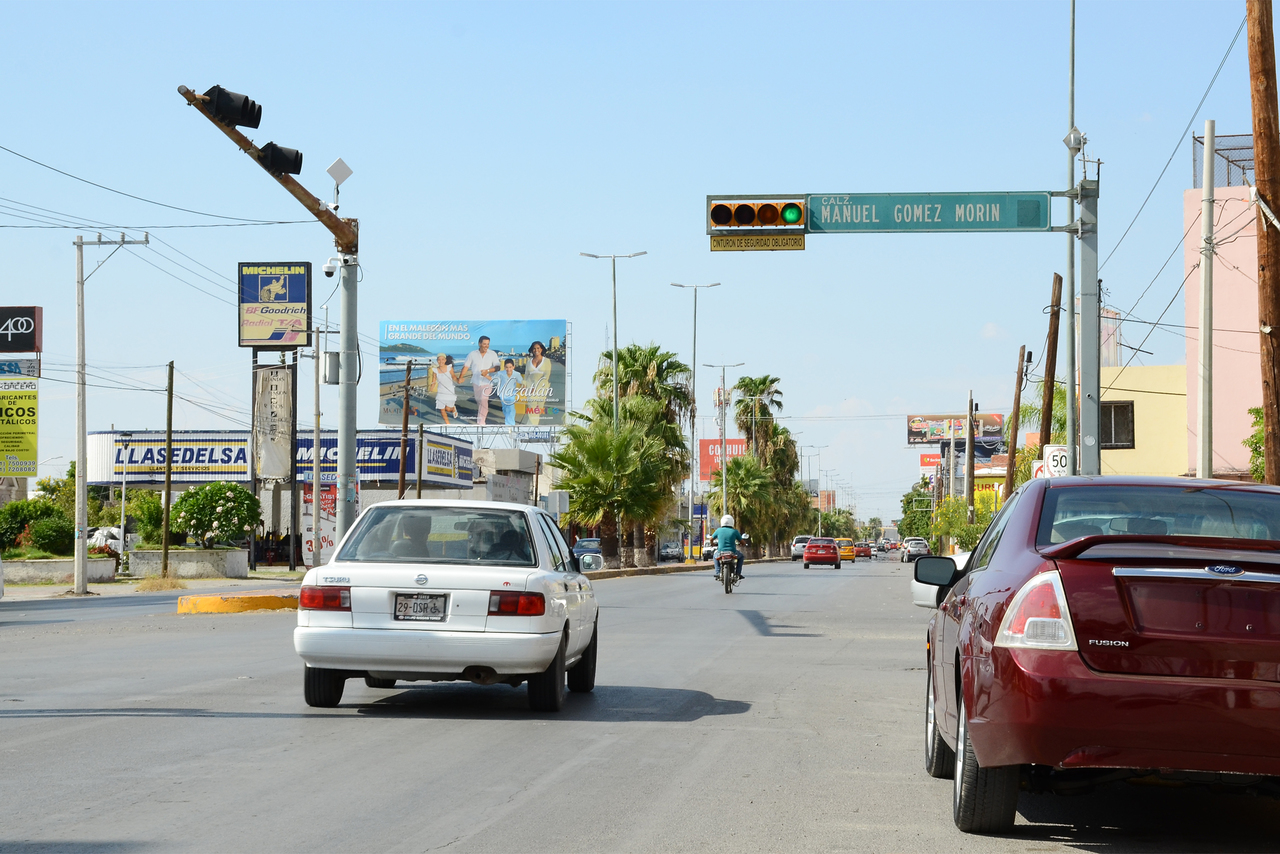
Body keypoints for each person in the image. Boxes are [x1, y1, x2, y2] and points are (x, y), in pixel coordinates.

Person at [460, 335, 501, 425]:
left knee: (483, 400)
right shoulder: (472, 354)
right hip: (476, 382)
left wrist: (488, 371)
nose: (486, 346)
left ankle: (481, 422)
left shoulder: (492, 354)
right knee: (480, 402)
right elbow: (466, 366)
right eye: (484, 344)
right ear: (479, 344)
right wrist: (461, 377)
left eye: (488, 344)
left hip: (488, 382)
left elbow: (498, 367)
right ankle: (482, 415)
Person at [522, 340, 553, 425]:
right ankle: (532, 428)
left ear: (541, 349)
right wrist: (524, 386)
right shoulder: (529, 362)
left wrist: (536, 388)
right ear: (532, 350)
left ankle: (530, 427)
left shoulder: (546, 361)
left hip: (542, 389)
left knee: (538, 410)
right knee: (532, 410)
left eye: (538, 348)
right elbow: (526, 375)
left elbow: (546, 376)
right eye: (534, 348)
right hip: (530, 388)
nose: (536, 350)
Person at [710, 513, 745, 581]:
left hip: (720, 552)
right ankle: (738, 573)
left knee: (715, 556)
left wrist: (712, 544)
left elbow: (711, 539)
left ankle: (717, 572)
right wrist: (742, 544)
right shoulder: (735, 531)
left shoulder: (718, 530)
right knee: (741, 557)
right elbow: (742, 542)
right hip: (732, 552)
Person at [491, 358, 525, 425]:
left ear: (513, 367)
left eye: (510, 367)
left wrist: (524, 387)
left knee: (510, 409)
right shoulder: (500, 373)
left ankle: (510, 425)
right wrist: (485, 375)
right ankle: (509, 420)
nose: (508, 369)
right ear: (504, 367)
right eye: (506, 367)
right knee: (505, 409)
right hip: (502, 394)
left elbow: (521, 381)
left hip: (512, 394)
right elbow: (493, 380)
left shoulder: (516, 374)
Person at [428, 353, 460, 424]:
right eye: (439, 360)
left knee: (447, 409)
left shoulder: (449, 368)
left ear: (445, 360)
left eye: (442, 359)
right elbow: (433, 381)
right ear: (437, 360)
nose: (441, 361)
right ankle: (448, 424)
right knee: (442, 409)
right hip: (441, 391)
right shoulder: (435, 370)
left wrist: (458, 380)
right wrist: (430, 389)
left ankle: (453, 409)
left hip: (449, 391)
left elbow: (454, 377)